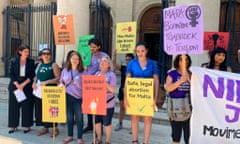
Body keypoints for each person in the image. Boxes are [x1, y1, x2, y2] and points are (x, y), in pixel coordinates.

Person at [124, 42, 159, 144]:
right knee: (134, 117)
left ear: (146, 51)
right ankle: (135, 141)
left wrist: (155, 98)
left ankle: (145, 142)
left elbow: (156, 80)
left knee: (147, 118)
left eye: (142, 51)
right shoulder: (131, 63)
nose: (140, 53)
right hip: (134, 95)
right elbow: (127, 80)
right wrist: (126, 97)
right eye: (138, 51)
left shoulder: (153, 63)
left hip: (148, 95)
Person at [32, 48, 61, 137]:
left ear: (50, 55)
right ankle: (45, 127)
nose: (46, 55)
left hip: (50, 92)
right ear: (41, 55)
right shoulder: (39, 65)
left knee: (51, 110)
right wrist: (34, 83)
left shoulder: (54, 65)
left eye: (48, 53)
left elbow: (58, 78)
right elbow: (36, 76)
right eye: (44, 54)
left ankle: (55, 128)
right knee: (42, 110)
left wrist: (47, 82)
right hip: (39, 92)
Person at [83, 38, 109, 133]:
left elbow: (106, 69)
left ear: (99, 46)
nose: (92, 49)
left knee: (98, 107)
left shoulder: (104, 56)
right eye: (90, 47)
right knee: (89, 106)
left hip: (98, 85)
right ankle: (90, 125)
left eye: (94, 47)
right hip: (88, 84)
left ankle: (99, 128)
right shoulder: (88, 55)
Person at [165, 54, 192, 144]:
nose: (184, 61)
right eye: (181, 59)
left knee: (189, 136)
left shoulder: (191, 74)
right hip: (175, 108)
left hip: (189, 107)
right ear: (177, 61)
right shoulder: (172, 73)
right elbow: (168, 88)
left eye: (186, 59)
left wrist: (189, 79)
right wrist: (181, 81)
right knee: (176, 135)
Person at [8, 45, 35, 134]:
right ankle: (13, 125)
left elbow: (32, 75)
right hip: (15, 86)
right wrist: (17, 84)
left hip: (26, 86)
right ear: (20, 52)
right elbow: (11, 74)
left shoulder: (31, 62)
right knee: (13, 106)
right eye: (25, 52)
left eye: (28, 51)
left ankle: (27, 126)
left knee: (27, 106)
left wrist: (23, 84)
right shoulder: (13, 61)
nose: (27, 53)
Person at [59, 51, 85, 144]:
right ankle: (70, 136)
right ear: (69, 60)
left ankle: (79, 137)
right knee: (69, 118)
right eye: (73, 58)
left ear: (79, 61)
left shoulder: (83, 72)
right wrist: (61, 85)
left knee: (79, 118)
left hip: (78, 98)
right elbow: (61, 81)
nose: (75, 60)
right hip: (67, 96)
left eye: (77, 59)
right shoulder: (65, 70)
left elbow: (86, 86)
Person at [94, 56, 117, 144]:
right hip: (97, 102)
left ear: (108, 65)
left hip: (108, 103)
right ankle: (99, 138)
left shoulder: (112, 75)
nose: (102, 63)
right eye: (101, 61)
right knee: (97, 122)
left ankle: (107, 140)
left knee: (107, 123)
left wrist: (103, 82)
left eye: (105, 61)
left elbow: (112, 89)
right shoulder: (96, 74)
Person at [113, 49, 134, 131]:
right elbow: (114, 65)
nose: (127, 61)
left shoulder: (135, 69)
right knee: (122, 107)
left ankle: (133, 126)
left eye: (129, 59)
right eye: (126, 59)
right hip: (122, 90)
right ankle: (120, 123)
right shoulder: (123, 68)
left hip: (132, 91)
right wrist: (115, 55)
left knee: (132, 108)